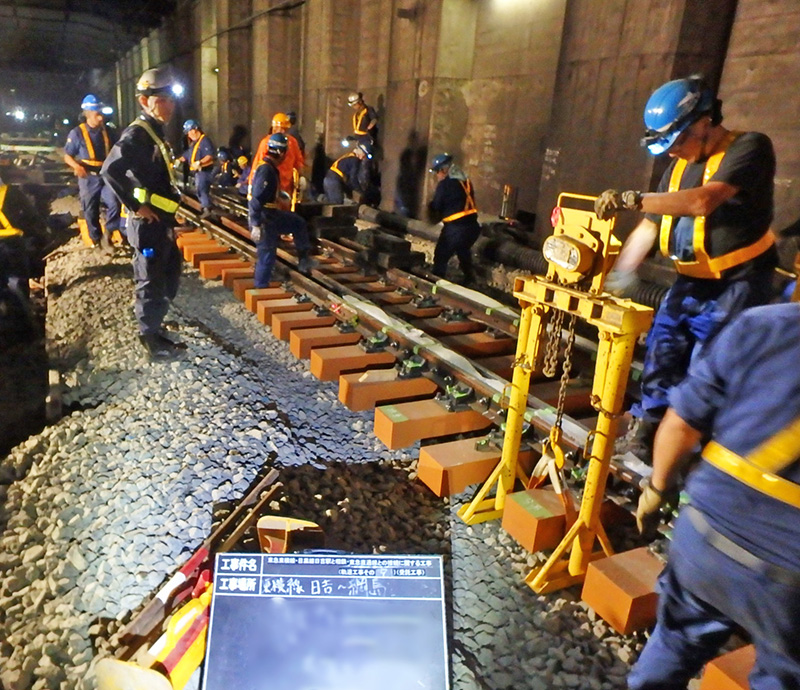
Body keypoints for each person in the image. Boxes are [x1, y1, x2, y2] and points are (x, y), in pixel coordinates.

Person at [594, 75, 777, 464]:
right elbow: (651, 225)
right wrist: (623, 271)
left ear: (704, 122)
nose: (673, 154)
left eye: (677, 143)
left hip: (739, 282)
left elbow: (702, 203)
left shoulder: (750, 148)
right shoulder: (677, 168)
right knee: (663, 349)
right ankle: (648, 428)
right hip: (691, 281)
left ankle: (693, 450)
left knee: (708, 366)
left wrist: (636, 199)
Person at [629, 302, 800, 690]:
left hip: (703, 535)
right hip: (789, 580)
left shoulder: (762, 324)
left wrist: (657, 490)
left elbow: (679, 428)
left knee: (673, 642)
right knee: (780, 675)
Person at [101, 66, 185, 360]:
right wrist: (138, 206)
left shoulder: (154, 132)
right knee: (150, 277)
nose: (170, 106)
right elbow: (110, 171)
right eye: (164, 99)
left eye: (172, 99)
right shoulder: (137, 134)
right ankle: (149, 338)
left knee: (169, 271)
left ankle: (154, 325)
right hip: (145, 223)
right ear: (145, 100)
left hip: (161, 221)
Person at [248, 133, 313, 287]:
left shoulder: (270, 168)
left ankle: (304, 260)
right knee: (267, 254)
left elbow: (265, 192)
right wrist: (255, 224)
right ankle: (260, 288)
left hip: (271, 214)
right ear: (281, 153)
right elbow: (256, 200)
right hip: (264, 218)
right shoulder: (266, 170)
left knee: (297, 223)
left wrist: (278, 195)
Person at [63, 94, 123, 249]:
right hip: (88, 177)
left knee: (114, 202)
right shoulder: (77, 133)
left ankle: (108, 235)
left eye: (102, 114)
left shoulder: (109, 131)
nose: (101, 118)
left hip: (106, 174)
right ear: (88, 114)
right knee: (90, 209)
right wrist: (77, 167)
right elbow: (67, 155)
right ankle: (96, 240)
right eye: (98, 114)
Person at [428, 153, 481, 283]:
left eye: (437, 172)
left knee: (441, 255)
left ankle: (436, 284)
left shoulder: (445, 185)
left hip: (456, 228)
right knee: (463, 251)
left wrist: (431, 208)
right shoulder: (465, 181)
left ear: (443, 170)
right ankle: (470, 279)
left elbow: (437, 205)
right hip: (473, 227)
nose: (437, 176)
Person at [249, 113, 305, 198]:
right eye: (281, 129)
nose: (283, 131)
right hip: (271, 185)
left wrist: (301, 177)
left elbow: (298, 161)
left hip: (287, 187)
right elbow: (257, 165)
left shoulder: (292, 142)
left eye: (285, 129)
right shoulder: (266, 143)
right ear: (274, 129)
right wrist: (251, 184)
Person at [177, 119, 215, 216]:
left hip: (204, 171)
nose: (188, 135)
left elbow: (209, 155)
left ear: (194, 130)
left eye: (189, 132)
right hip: (198, 172)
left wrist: (200, 162)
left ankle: (207, 209)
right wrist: (180, 159)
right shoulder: (195, 143)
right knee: (199, 189)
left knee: (202, 189)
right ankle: (204, 207)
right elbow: (189, 153)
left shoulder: (204, 140)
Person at [322, 138, 373, 204]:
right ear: (360, 151)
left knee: (331, 205)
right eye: (364, 154)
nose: (364, 157)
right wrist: (360, 191)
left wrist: (349, 191)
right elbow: (353, 178)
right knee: (337, 205)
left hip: (329, 179)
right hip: (333, 181)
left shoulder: (349, 156)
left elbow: (347, 178)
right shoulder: (354, 160)